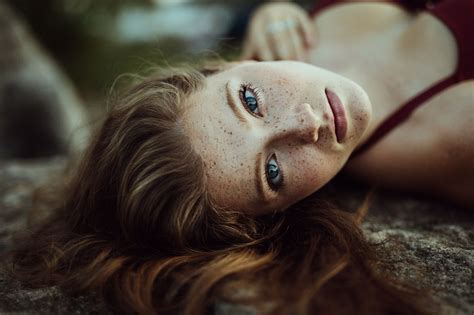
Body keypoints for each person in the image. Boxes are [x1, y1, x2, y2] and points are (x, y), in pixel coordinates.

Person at [6, 0, 472, 314]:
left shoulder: (293, 38)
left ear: (225, 65)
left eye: (248, 100)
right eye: (271, 172)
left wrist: (277, 9)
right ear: (282, 210)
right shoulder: (451, 141)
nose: (306, 125)